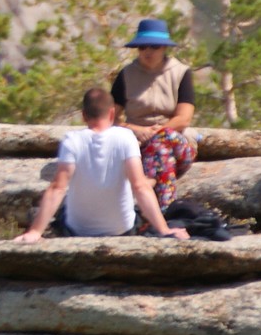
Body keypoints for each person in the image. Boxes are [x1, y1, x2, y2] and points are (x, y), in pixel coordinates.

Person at [17, 88, 188, 241]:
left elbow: (57, 188)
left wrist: (35, 232)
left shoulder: (72, 140)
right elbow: (140, 186)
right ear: (112, 114)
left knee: (64, 208)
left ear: (84, 115)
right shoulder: (126, 137)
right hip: (122, 230)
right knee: (134, 210)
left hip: (77, 231)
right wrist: (164, 230)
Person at [109, 17, 197, 211]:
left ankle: (156, 211)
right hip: (138, 145)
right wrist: (136, 129)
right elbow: (109, 117)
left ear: (164, 48)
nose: (148, 51)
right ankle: (166, 210)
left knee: (160, 143)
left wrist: (156, 131)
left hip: (176, 141)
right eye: (142, 47)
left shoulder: (181, 73)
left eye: (154, 46)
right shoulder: (126, 75)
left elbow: (184, 118)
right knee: (159, 152)